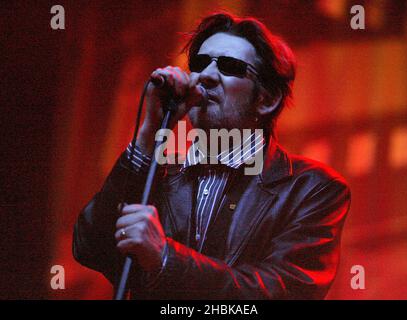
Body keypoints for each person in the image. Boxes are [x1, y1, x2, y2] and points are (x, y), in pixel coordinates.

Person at [73, 12, 351, 299]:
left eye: (230, 66)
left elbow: (283, 291)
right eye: (200, 63)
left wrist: (166, 258)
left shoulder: (312, 188)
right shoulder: (160, 173)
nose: (205, 75)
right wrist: (148, 134)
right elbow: (90, 247)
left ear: (267, 99)